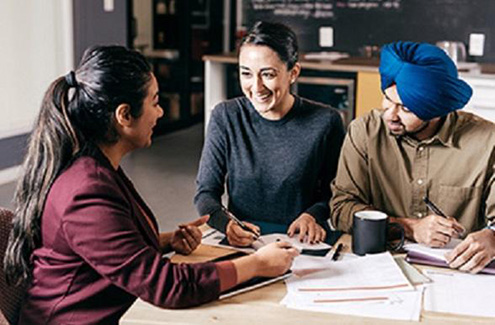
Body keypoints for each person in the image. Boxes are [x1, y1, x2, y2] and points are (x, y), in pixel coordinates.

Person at [3, 45, 298, 323]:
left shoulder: (97, 168)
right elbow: (167, 287)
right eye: (155, 102)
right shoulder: (86, 190)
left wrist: (167, 240)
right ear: (124, 115)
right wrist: (258, 264)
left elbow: (108, 249)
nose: (160, 112)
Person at [330, 41, 495, 274]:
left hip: (458, 272)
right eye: (387, 98)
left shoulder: (487, 141)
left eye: (406, 108)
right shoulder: (365, 131)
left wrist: (492, 237)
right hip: (377, 265)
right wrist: (409, 227)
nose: (390, 115)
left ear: (436, 109)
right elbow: (341, 209)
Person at [194, 21, 345, 247]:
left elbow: (335, 192)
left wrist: (313, 215)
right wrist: (225, 223)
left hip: (303, 243)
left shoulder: (326, 121)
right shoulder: (225, 117)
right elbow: (206, 193)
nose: (256, 87)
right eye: (246, 74)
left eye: (268, 74)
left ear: (293, 73)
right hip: (246, 243)